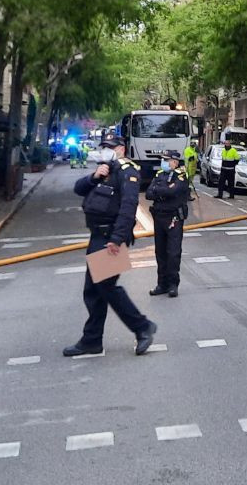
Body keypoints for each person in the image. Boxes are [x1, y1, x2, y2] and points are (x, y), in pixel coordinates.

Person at [64, 135, 157, 357]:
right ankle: (92, 341)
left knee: (106, 287)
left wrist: (116, 239)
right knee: (93, 291)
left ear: (121, 149)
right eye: (104, 147)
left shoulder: (127, 171)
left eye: (110, 147)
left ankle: (142, 326)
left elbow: (128, 206)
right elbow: (79, 189)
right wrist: (94, 177)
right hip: (97, 235)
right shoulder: (105, 170)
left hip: (110, 237)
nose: (106, 150)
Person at [147, 149, 189, 298]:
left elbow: (174, 192)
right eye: (163, 159)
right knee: (160, 252)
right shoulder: (159, 175)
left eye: (166, 160)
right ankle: (162, 284)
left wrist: (158, 191)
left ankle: (173, 285)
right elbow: (148, 193)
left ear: (175, 162)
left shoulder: (181, 176)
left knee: (173, 253)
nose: (163, 162)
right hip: (159, 217)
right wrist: (163, 190)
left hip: (173, 219)